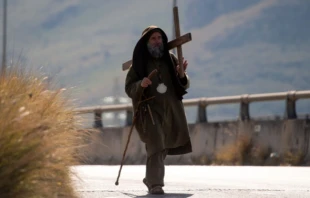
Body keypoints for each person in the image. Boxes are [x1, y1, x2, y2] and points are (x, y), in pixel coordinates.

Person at [125, 25, 192, 194]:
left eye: (159, 38)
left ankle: (150, 177)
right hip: (149, 111)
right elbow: (129, 88)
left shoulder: (170, 58)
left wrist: (182, 74)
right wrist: (141, 84)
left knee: (163, 145)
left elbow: (183, 83)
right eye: (153, 39)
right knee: (155, 143)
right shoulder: (138, 64)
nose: (157, 42)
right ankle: (156, 184)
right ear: (146, 42)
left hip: (171, 109)